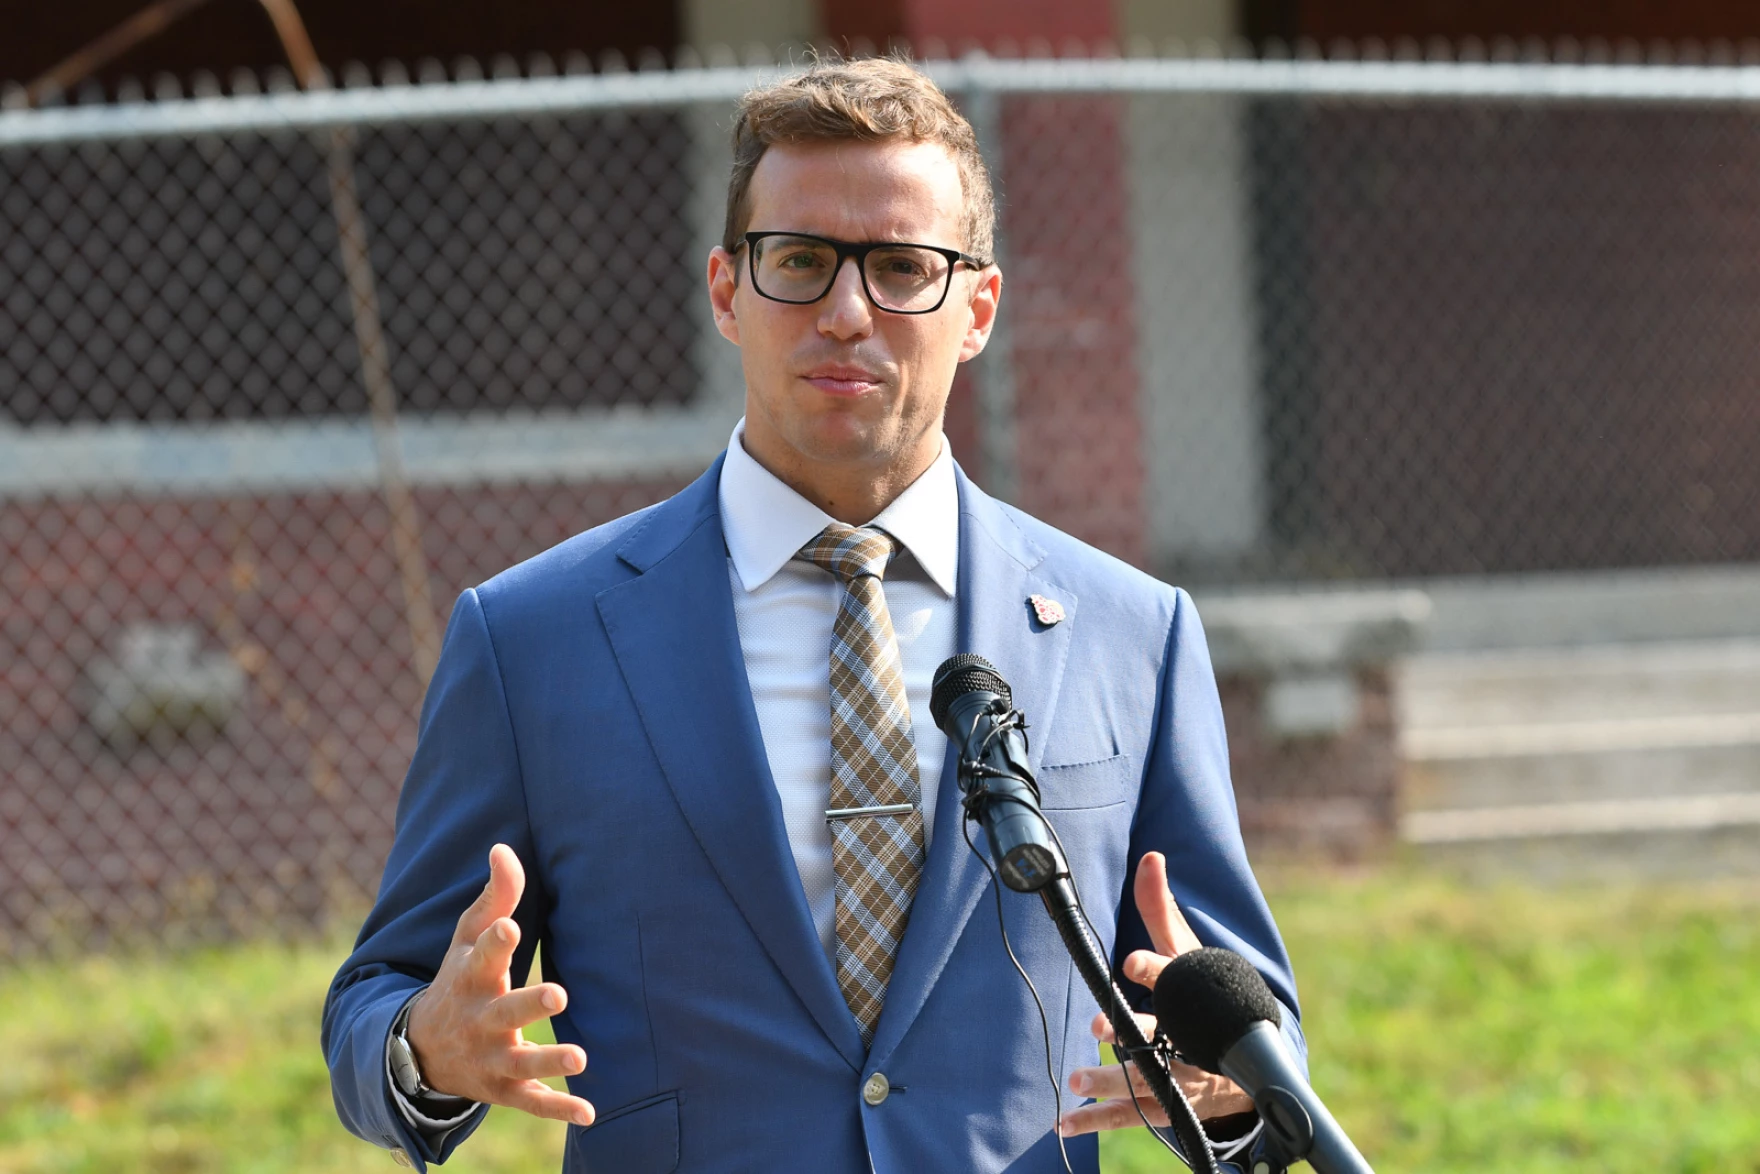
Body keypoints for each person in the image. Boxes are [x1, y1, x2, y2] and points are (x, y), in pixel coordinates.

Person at [323, 56, 1305, 1174]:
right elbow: (375, 999)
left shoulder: (1133, 633)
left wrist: (1232, 1090)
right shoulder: (534, 636)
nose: (847, 313)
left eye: (900, 267)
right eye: (798, 262)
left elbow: (1253, 1021)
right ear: (726, 291)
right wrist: (421, 1048)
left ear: (976, 306)